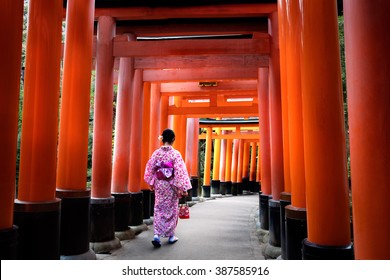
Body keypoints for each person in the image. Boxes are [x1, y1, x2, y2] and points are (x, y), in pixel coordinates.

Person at [144, 128, 192, 248]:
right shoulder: (175, 154)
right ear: (173, 140)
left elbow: (150, 168)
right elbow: (180, 171)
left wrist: (151, 182)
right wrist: (183, 187)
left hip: (160, 184)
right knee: (171, 209)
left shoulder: (156, 153)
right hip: (171, 185)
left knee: (159, 208)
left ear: (162, 139)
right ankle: (171, 236)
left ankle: (156, 235)